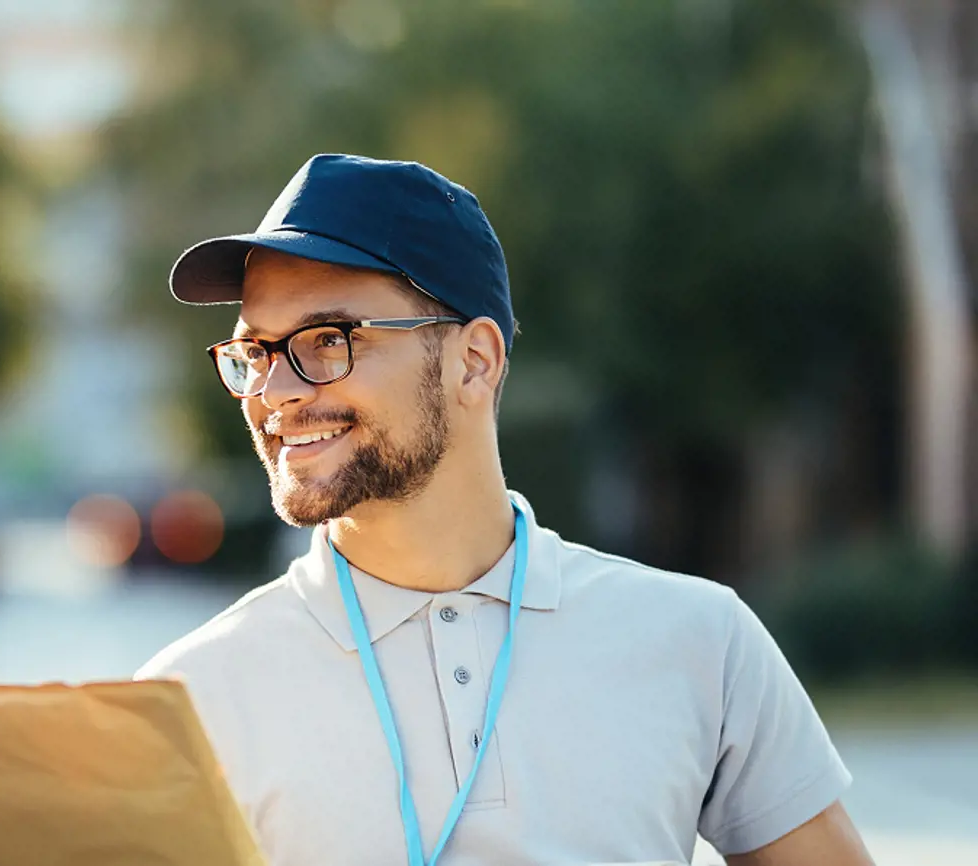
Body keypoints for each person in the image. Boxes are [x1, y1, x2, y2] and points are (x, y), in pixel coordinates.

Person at [137, 154, 875, 866]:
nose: (275, 393)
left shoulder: (700, 642)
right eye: (255, 354)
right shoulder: (186, 701)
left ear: (475, 360)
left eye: (327, 342)